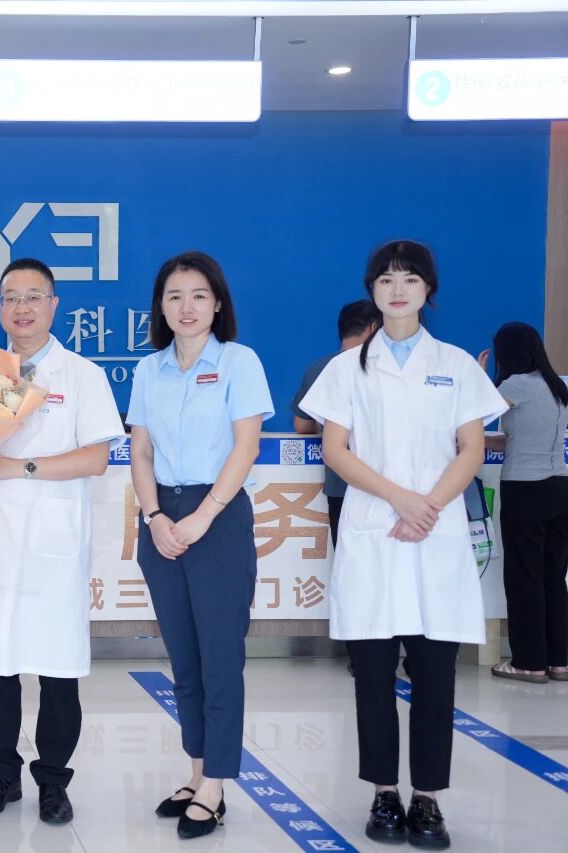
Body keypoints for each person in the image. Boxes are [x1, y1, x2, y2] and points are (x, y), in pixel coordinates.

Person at [301, 240, 506, 850]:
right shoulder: (347, 369)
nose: (397, 289)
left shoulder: (457, 365)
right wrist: (400, 498)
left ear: (427, 290)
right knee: (371, 674)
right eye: (386, 279)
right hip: (375, 528)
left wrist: (428, 505)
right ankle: (384, 793)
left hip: (434, 534)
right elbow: (335, 449)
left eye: (410, 279)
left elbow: (472, 447)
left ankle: (428, 799)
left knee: (435, 675)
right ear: (372, 289)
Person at [0, 258, 124, 826]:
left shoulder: (82, 375)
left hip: (52, 541)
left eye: (34, 297)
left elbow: (96, 458)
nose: (22, 308)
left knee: (57, 668)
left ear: (54, 306)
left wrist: (20, 466)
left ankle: (53, 779)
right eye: (11, 297)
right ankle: (0, 774)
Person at [127, 251, 272, 841]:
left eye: (198, 295)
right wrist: (156, 516)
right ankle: (195, 772)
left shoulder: (239, 361)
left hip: (218, 516)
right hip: (162, 518)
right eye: (174, 296)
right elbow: (140, 452)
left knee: (220, 658)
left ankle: (215, 785)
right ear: (161, 307)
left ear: (217, 304)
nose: (186, 307)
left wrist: (204, 516)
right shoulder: (148, 370)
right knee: (184, 660)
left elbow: (246, 446)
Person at [480, 322, 568, 684]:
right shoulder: (556, 386)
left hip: (526, 490)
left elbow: (475, 414)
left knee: (524, 576)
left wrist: (479, 375)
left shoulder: (516, 385)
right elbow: (519, 439)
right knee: (553, 576)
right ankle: (559, 660)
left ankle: (529, 662)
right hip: (560, 487)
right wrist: (484, 442)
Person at [292, 299, 380, 544]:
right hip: (383, 486)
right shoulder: (382, 367)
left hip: (340, 485)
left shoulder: (319, 368)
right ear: (373, 328)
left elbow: (301, 425)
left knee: (347, 561)